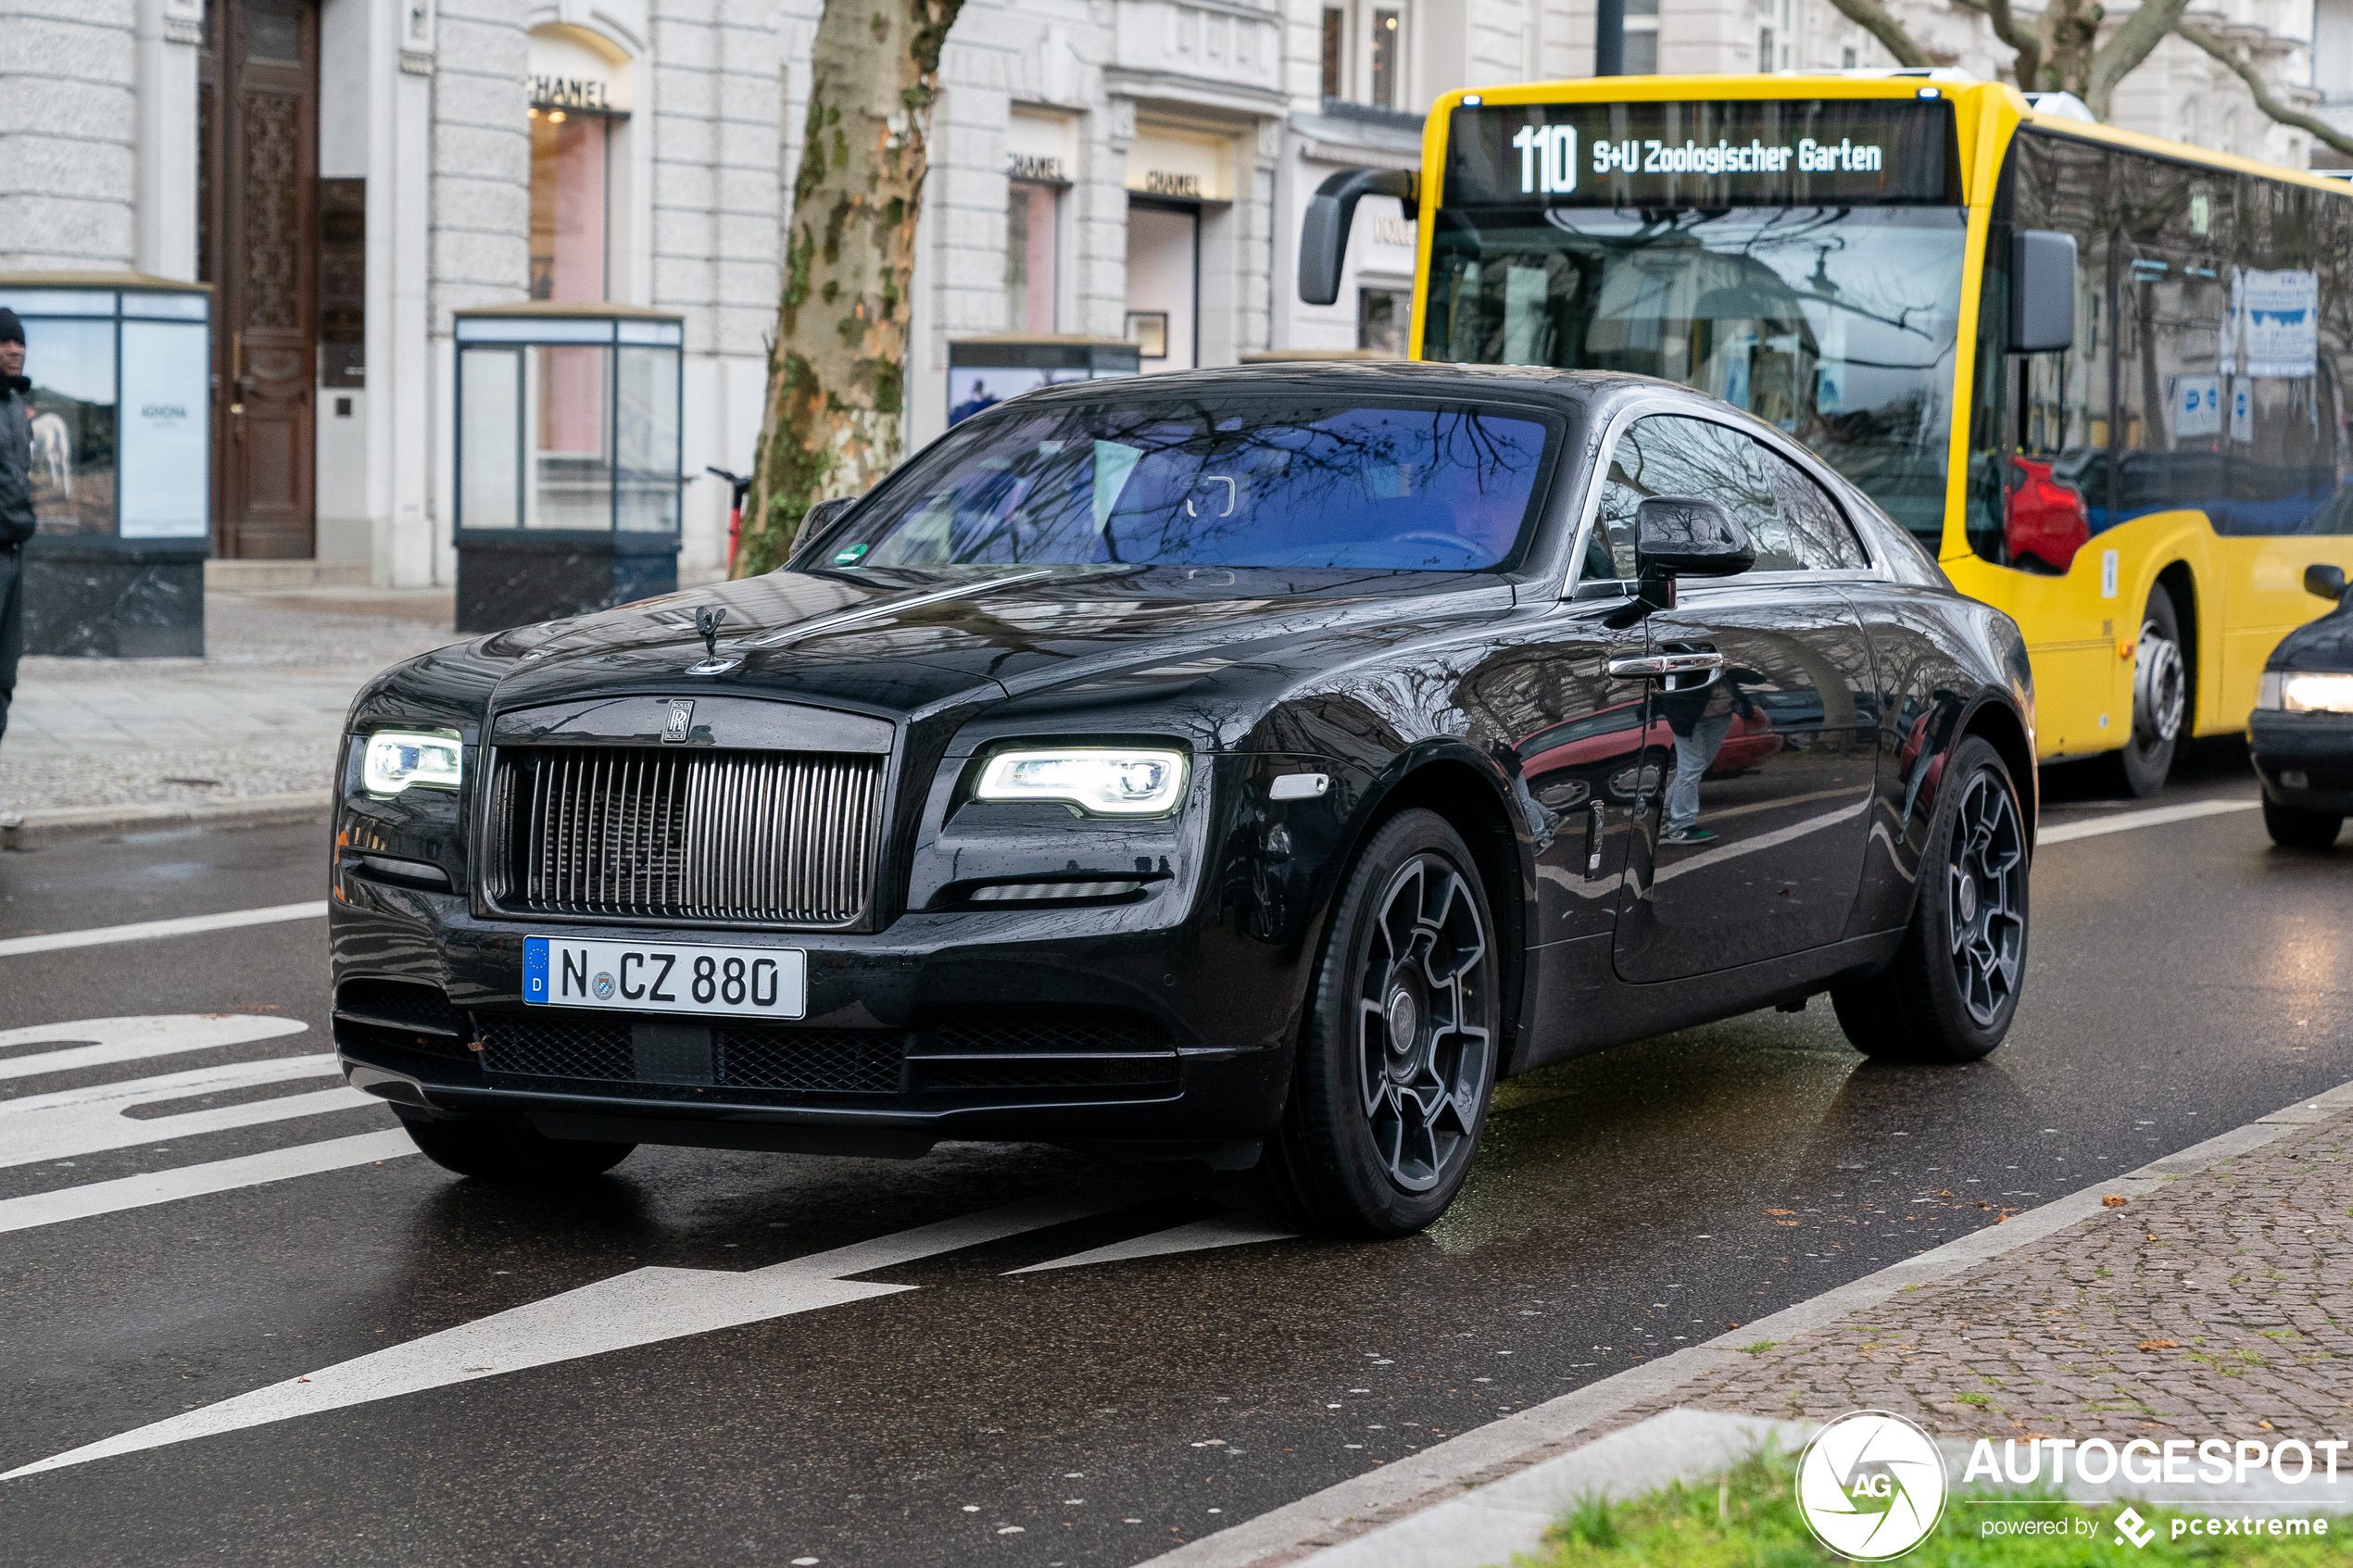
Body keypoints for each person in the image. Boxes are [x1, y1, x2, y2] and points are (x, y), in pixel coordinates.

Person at [1657, 656, 1763, 846]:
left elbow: (1757, 679)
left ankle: (1663, 816)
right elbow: (1672, 693)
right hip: (1690, 722)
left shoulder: (1726, 671)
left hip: (1719, 720)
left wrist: (1728, 668)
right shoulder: (1687, 669)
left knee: (1695, 769)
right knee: (1691, 770)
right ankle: (1680, 826)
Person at [0, 307, 31, 746]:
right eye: (6, 342)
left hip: (13, 552)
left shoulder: (15, 403)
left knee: (4, 674)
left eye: (20, 342)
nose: (15, 349)